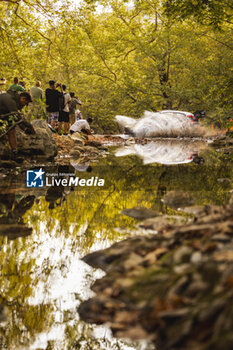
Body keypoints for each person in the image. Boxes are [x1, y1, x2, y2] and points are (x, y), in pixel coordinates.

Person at [0, 91, 32, 157]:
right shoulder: (11, 100)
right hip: (3, 114)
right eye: (25, 103)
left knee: (11, 129)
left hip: (5, 114)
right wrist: (29, 126)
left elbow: (16, 119)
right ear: (23, 98)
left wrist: (24, 129)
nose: (24, 105)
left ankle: (14, 151)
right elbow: (17, 116)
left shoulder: (15, 99)